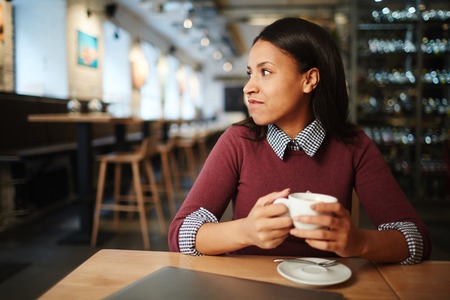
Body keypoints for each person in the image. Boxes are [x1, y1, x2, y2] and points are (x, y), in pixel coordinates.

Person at [168, 17, 431, 264]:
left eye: (266, 72)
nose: (249, 87)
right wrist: (245, 231)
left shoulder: (354, 146)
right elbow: (180, 235)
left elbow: (415, 240)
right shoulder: (238, 141)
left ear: (309, 79)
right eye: (250, 73)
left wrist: (359, 241)